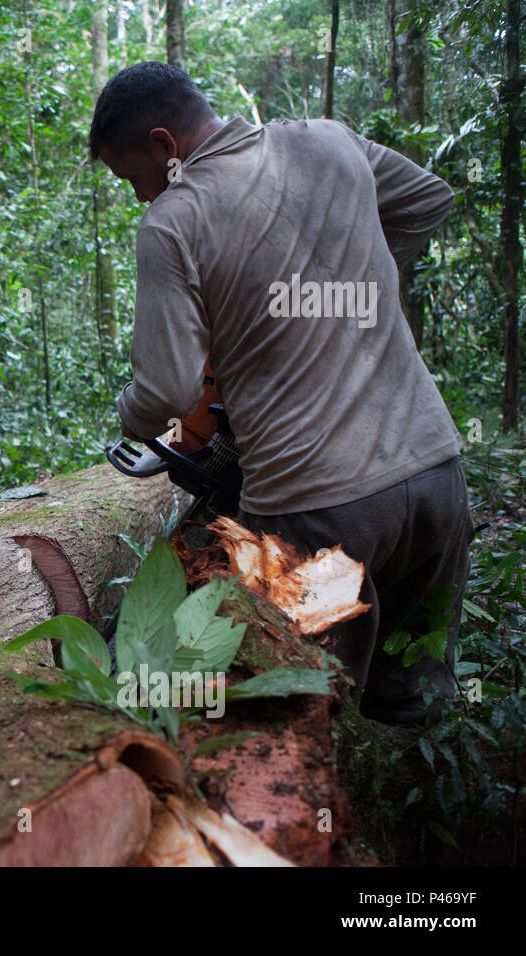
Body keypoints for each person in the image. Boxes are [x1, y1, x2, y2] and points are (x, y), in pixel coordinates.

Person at [90, 61, 473, 725]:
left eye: (131, 179)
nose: (136, 198)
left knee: (262, 716)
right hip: (439, 489)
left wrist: (131, 416)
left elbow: (165, 391)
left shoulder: (173, 223)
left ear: (163, 146)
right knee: (409, 715)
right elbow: (428, 200)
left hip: (316, 527)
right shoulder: (330, 140)